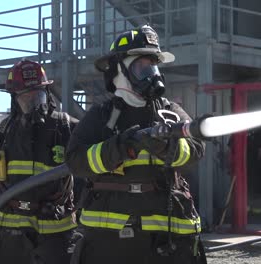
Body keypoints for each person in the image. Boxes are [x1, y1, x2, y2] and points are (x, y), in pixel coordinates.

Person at [66, 25, 206, 264]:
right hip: (108, 243)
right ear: (118, 71)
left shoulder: (170, 111)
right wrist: (117, 148)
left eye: (154, 67)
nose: (152, 75)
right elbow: (75, 161)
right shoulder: (101, 116)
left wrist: (167, 148)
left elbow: (196, 150)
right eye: (142, 68)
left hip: (166, 238)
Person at [0, 59, 78, 264]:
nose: (34, 103)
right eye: (26, 98)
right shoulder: (4, 133)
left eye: (38, 95)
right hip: (11, 231)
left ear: (47, 93)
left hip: (56, 231)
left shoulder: (66, 127)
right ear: (15, 99)